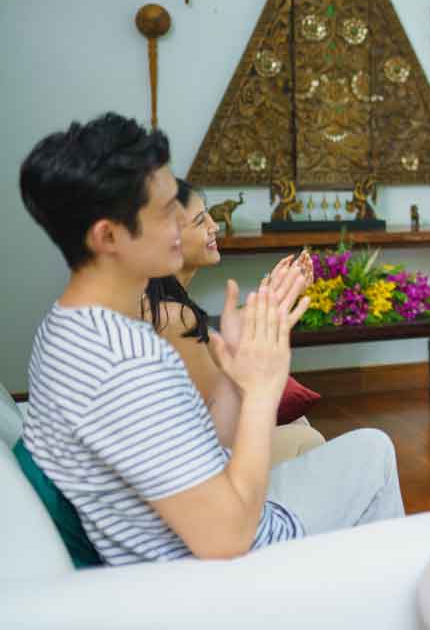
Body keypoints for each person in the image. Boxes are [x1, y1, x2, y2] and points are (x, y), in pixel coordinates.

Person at [19, 113, 403, 565]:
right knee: (378, 466)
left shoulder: (67, 326)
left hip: (213, 506)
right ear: (109, 236)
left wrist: (238, 369)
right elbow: (227, 539)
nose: (183, 226)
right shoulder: (125, 363)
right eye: (166, 213)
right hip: (223, 565)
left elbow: (205, 444)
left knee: (371, 447)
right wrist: (262, 391)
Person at [142, 177, 325, 466]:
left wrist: (270, 300)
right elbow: (220, 425)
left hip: (202, 448)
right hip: (198, 466)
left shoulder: (168, 304)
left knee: (300, 426)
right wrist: (267, 339)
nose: (215, 227)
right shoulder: (172, 318)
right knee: (311, 439)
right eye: (202, 220)